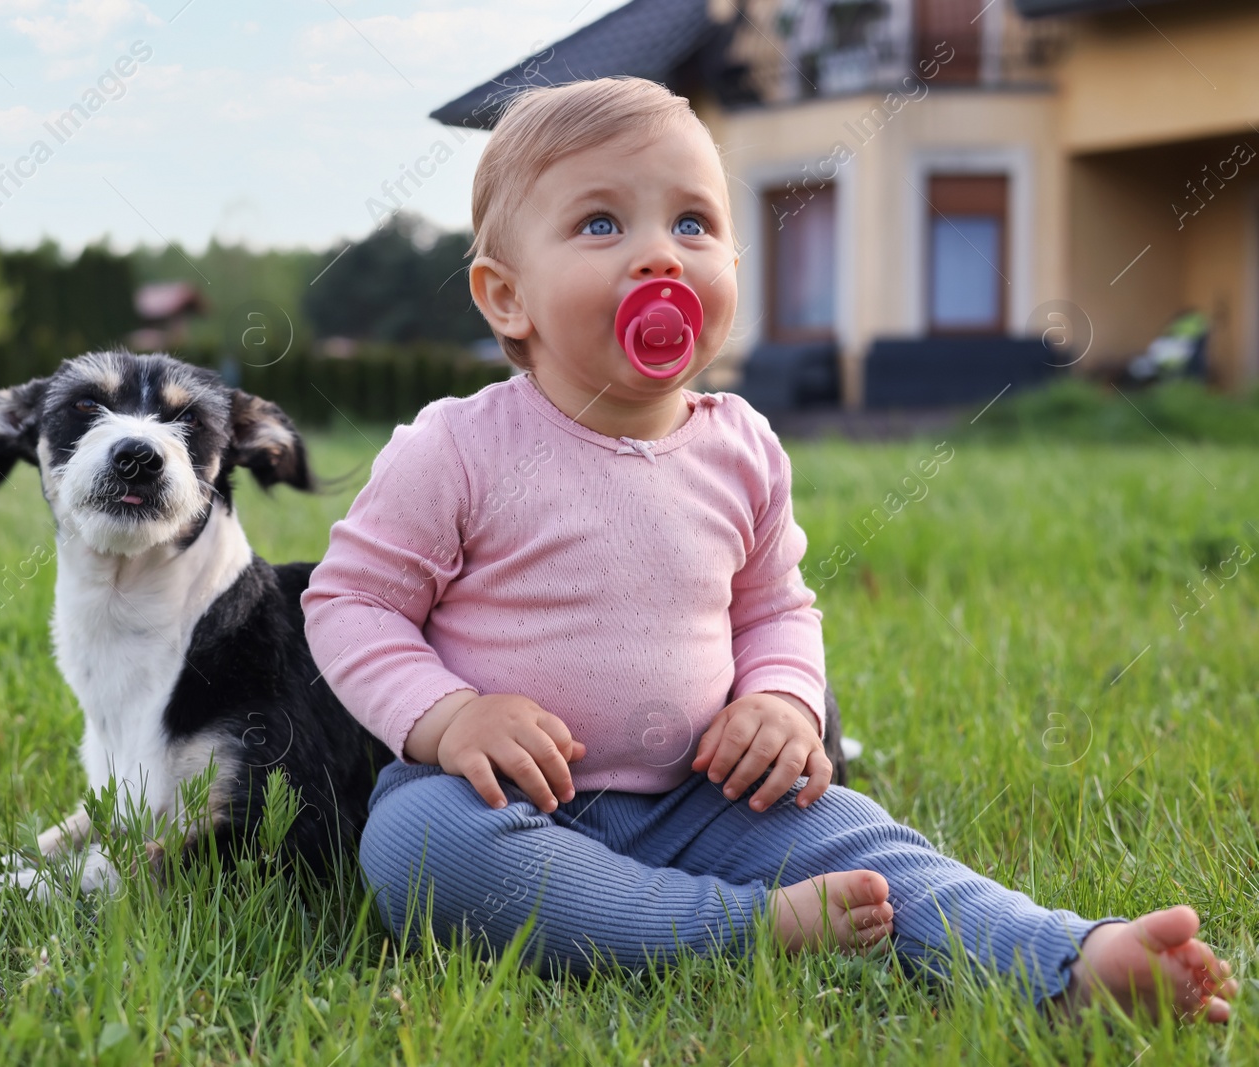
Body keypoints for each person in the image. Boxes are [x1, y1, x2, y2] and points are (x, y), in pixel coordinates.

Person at [299, 76, 1236, 1022]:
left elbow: (775, 609)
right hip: (504, 802)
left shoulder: (740, 447)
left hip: (704, 798)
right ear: (507, 298)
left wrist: (780, 699)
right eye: (599, 226)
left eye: (694, 224)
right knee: (417, 849)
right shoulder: (456, 448)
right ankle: (740, 927)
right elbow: (351, 603)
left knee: (871, 848)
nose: (659, 255)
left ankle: (1068, 962)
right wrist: (450, 716)